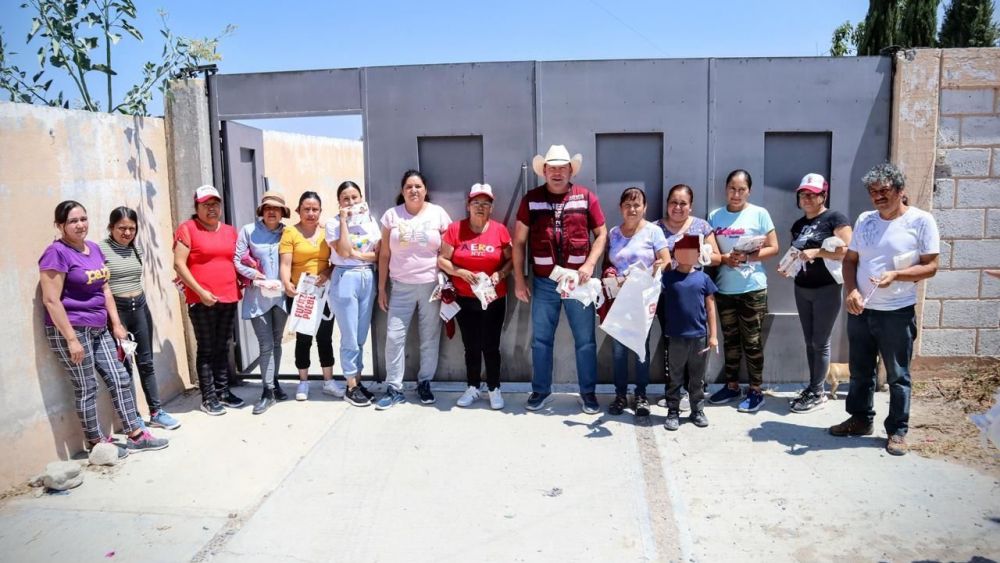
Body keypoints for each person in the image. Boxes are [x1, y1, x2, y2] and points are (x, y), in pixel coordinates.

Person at [41, 201, 168, 457]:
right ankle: (97, 442)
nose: (80, 225)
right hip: (72, 329)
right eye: (73, 221)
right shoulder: (56, 253)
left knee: (120, 377)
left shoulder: (95, 249)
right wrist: (71, 339)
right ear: (60, 225)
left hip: (99, 328)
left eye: (83, 219)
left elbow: (105, 289)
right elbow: (51, 300)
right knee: (87, 386)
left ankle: (135, 434)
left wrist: (117, 325)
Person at [830, 163, 939, 456]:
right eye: (873, 192)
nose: (878, 196)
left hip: (897, 312)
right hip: (862, 310)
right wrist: (851, 290)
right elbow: (850, 260)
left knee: (897, 375)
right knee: (861, 371)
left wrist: (898, 276)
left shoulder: (921, 221)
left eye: (884, 191)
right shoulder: (865, 220)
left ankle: (897, 431)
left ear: (900, 191)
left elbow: (931, 266)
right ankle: (860, 419)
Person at [512, 144, 608, 414]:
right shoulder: (530, 199)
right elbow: (518, 243)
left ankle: (588, 393)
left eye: (561, 167)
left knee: (586, 340)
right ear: (544, 170)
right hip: (544, 283)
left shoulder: (586, 197)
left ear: (570, 170)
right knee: (541, 340)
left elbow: (602, 234)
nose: (556, 172)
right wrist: (519, 280)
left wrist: (590, 264)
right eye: (551, 168)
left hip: (579, 283)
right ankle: (541, 391)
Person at [99, 207, 181, 430]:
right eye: (122, 228)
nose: (127, 233)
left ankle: (156, 412)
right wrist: (115, 323)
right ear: (111, 227)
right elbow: (102, 287)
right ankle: (132, 418)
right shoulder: (101, 250)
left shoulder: (136, 250)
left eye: (132, 229)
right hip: (119, 314)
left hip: (140, 310)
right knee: (125, 366)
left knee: (146, 363)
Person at [376, 170, 452, 410]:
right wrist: (381, 288)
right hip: (400, 287)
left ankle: (424, 382)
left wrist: (446, 278)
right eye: (409, 186)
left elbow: (448, 247)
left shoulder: (438, 213)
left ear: (425, 189)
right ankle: (394, 388)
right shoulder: (391, 216)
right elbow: (385, 254)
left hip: (431, 286)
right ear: (402, 191)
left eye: (418, 186)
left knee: (429, 336)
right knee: (394, 337)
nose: (414, 190)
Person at [706, 169, 779, 413]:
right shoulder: (715, 216)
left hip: (753, 288)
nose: (736, 194)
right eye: (732, 189)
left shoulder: (760, 214)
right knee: (731, 341)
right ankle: (732, 385)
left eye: (741, 189)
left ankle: (756, 390)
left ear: (749, 191)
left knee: (753, 341)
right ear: (725, 189)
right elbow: (711, 253)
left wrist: (748, 255)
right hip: (725, 289)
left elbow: (774, 248)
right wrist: (725, 258)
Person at [780, 174, 853, 413]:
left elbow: (847, 249)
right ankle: (813, 387)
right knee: (809, 341)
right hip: (802, 288)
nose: (807, 198)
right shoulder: (799, 225)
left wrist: (817, 253)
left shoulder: (835, 218)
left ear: (824, 195)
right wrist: (788, 267)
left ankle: (818, 392)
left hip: (827, 288)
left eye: (812, 194)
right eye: (803, 194)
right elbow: (797, 253)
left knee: (820, 342)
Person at [438, 183, 513, 410]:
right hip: (464, 297)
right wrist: (460, 272)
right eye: (476, 203)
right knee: (470, 344)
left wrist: (500, 274)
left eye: (485, 203)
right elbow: (442, 260)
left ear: (491, 207)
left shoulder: (500, 230)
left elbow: (511, 260)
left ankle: (493, 388)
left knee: (490, 345)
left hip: (493, 297)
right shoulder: (455, 229)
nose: (480, 207)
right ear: (468, 205)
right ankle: (472, 387)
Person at [173, 185, 244, 415]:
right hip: (201, 299)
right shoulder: (188, 229)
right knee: (207, 348)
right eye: (206, 205)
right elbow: (179, 264)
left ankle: (223, 391)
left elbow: (238, 261)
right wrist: (201, 292)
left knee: (223, 346)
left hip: (229, 295)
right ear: (197, 207)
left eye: (215, 204)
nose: (211, 209)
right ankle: (208, 396)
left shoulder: (230, 231)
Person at [605, 187, 670, 418]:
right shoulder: (613, 233)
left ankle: (641, 395)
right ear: (621, 208)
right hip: (618, 299)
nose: (632, 209)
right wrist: (612, 275)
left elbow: (666, 260)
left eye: (637, 205)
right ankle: (620, 395)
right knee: (619, 350)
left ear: (645, 207)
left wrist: (650, 272)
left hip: (644, 299)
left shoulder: (653, 232)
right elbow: (607, 263)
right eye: (627, 205)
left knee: (641, 348)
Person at [655, 184, 721, 411]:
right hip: (667, 295)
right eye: (673, 202)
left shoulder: (702, 226)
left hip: (694, 294)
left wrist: (703, 255)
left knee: (694, 345)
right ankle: (675, 392)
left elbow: (717, 258)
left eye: (683, 203)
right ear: (667, 204)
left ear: (690, 206)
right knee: (672, 344)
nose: (678, 207)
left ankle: (692, 395)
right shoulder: (656, 228)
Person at [280, 191, 340, 402]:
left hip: (324, 293)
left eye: (315, 209)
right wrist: (287, 283)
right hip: (300, 294)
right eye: (307, 209)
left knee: (325, 337)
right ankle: (303, 382)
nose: (311, 213)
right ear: (299, 210)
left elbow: (336, 261)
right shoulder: (290, 233)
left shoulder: (328, 232)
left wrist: (326, 273)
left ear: (320, 211)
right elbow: (285, 263)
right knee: (303, 338)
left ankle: (328, 381)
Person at [235, 191, 291, 415]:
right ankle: (267, 391)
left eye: (276, 209)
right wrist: (257, 276)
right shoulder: (248, 231)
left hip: (280, 297)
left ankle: (274, 383)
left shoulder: (288, 233)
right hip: (257, 297)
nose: (271, 211)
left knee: (277, 342)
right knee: (265, 344)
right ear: (262, 210)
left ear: (282, 213)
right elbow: (238, 260)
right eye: (268, 207)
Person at [326, 181, 381, 407]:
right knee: (348, 335)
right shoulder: (332, 224)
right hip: (345, 277)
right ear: (339, 202)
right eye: (346, 198)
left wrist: (356, 255)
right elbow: (343, 250)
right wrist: (343, 221)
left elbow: (376, 255)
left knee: (360, 335)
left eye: (355, 197)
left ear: (361, 198)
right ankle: (350, 386)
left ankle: (357, 381)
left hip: (367, 277)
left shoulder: (370, 221)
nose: (351, 202)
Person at [662, 235, 718, 430]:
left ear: (698, 254)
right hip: (675, 337)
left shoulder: (704, 278)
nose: (686, 255)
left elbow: (710, 308)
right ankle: (673, 411)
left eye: (691, 251)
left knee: (697, 377)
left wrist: (713, 335)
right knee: (674, 376)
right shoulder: (667, 278)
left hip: (699, 338)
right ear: (675, 253)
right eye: (681, 250)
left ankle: (697, 410)